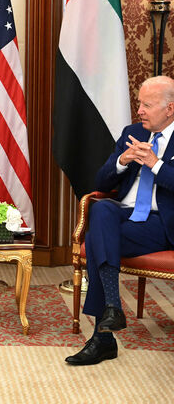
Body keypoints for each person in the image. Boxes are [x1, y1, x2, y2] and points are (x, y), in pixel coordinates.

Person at [66, 75, 174, 366]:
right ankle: (113, 306)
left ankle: (102, 339)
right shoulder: (132, 131)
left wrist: (156, 164)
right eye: (139, 103)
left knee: (97, 240)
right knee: (102, 210)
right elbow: (99, 182)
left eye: (146, 105)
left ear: (169, 109)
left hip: (160, 223)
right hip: (124, 216)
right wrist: (122, 161)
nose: (139, 110)